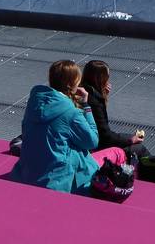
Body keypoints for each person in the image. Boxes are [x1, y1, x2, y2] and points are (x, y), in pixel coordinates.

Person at [10, 59, 126, 194]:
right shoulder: (71, 112)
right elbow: (93, 142)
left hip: (26, 175)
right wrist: (86, 106)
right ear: (72, 83)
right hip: (56, 182)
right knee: (118, 153)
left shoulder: (35, 103)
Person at [81, 60, 151, 159]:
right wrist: (130, 140)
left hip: (92, 142)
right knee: (139, 148)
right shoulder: (94, 101)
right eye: (107, 77)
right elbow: (105, 136)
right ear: (101, 79)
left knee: (130, 138)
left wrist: (102, 95)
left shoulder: (83, 91)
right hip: (96, 147)